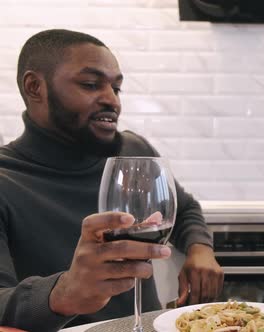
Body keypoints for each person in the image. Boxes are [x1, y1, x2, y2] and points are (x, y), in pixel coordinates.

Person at [0, 29, 224, 331]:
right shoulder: (6, 179)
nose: (112, 101)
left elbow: (183, 208)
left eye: (116, 89)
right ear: (34, 87)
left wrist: (200, 248)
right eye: (91, 84)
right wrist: (63, 293)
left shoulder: (133, 152)